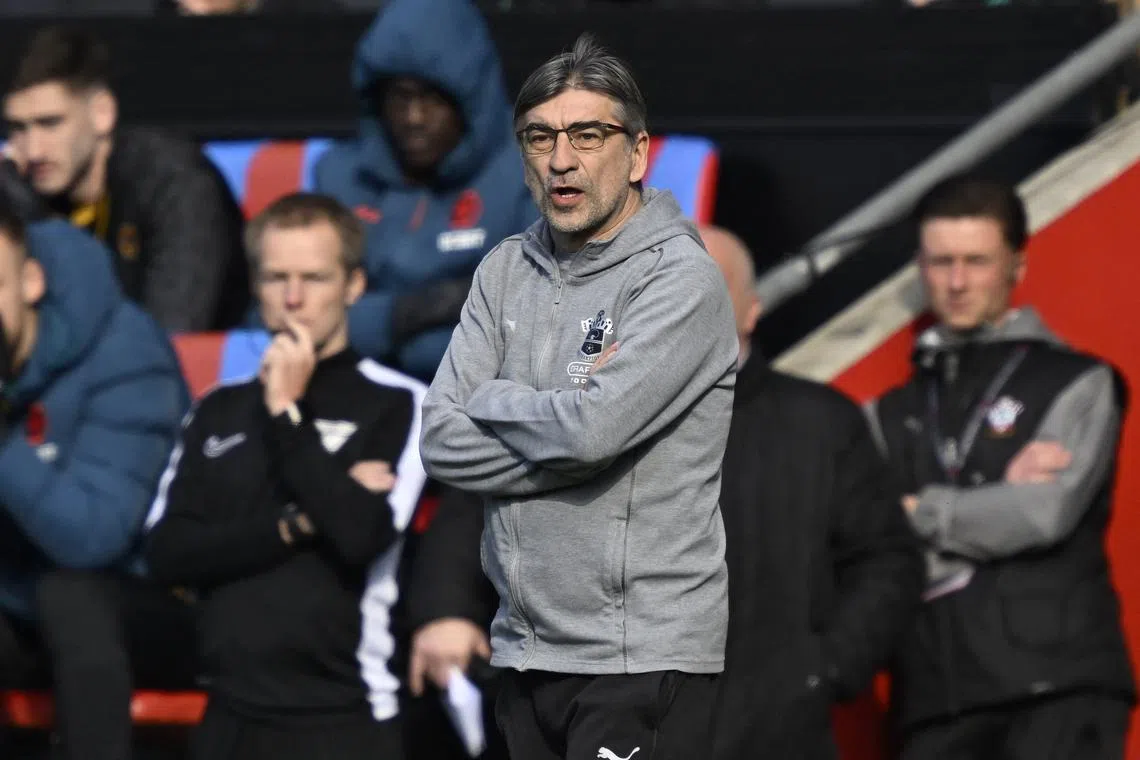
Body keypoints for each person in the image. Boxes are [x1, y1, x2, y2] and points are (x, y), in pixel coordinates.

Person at [419, 34, 738, 760]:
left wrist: (494, 399)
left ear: (638, 152)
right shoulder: (504, 269)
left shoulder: (679, 280)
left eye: (587, 135)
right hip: (525, 651)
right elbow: (439, 438)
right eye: (540, 137)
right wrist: (566, 434)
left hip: (640, 657)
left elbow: (593, 431)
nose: (561, 159)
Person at [143, 192, 428, 760]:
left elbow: (359, 534)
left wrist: (287, 415)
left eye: (314, 278)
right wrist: (297, 524)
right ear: (255, 286)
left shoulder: (401, 403)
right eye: (276, 278)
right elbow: (169, 552)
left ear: (353, 286)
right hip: (227, 714)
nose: (293, 299)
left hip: (344, 715)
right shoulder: (216, 408)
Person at [866, 174, 1136, 759]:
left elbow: (1042, 514)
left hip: (1056, 686)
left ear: (1017, 264)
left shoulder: (1077, 380)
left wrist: (920, 509)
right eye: (941, 263)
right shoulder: (886, 413)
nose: (957, 282)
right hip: (934, 695)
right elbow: (865, 538)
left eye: (976, 261)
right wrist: (988, 511)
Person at [700, 224, 923, 760]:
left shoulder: (820, 422)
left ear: (750, 310)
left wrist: (823, 671)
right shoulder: (592, 420)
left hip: (778, 734)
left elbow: (888, 560)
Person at [0, 210, 194, 760]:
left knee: (70, 594)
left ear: (31, 282)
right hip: (21, 602)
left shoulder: (125, 351)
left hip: (143, 602)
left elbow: (95, 538)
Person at [314, 0, 537, 382]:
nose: (414, 118)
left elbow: (536, 312)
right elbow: (305, 312)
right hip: (354, 399)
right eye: (400, 96)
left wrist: (380, 328)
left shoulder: (530, 172)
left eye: (433, 98)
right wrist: (411, 311)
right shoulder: (340, 176)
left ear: (471, 98)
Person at [1, 26, 249, 331]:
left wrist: (38, 224)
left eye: (50, 124)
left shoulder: (175, 184)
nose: (34, 151)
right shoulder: (18, 193)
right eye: (18, 129)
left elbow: (171, 336)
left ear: (102, 113)